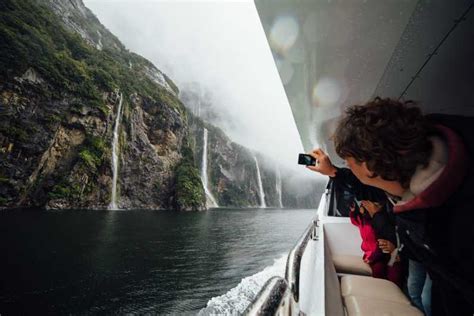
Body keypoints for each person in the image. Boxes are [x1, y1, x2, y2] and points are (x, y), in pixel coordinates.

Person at [307, 97, 474, 316]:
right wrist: (333, 172)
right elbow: (376, 187)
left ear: (368, 166)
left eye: (349, 163)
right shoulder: (410, 180)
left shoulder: (458, 225)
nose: (348, 167)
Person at [349, 199, 403, 287]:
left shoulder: (376, 224)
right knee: (379, 270)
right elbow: (354, 220)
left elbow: (379, 244)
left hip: (378, 254)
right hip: (371, 253)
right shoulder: (362, 220)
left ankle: (384, 288)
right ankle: (379, 287)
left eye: (364, 205)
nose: (363, 206)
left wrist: (373, 257)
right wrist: (352, 212)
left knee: (380, 269)